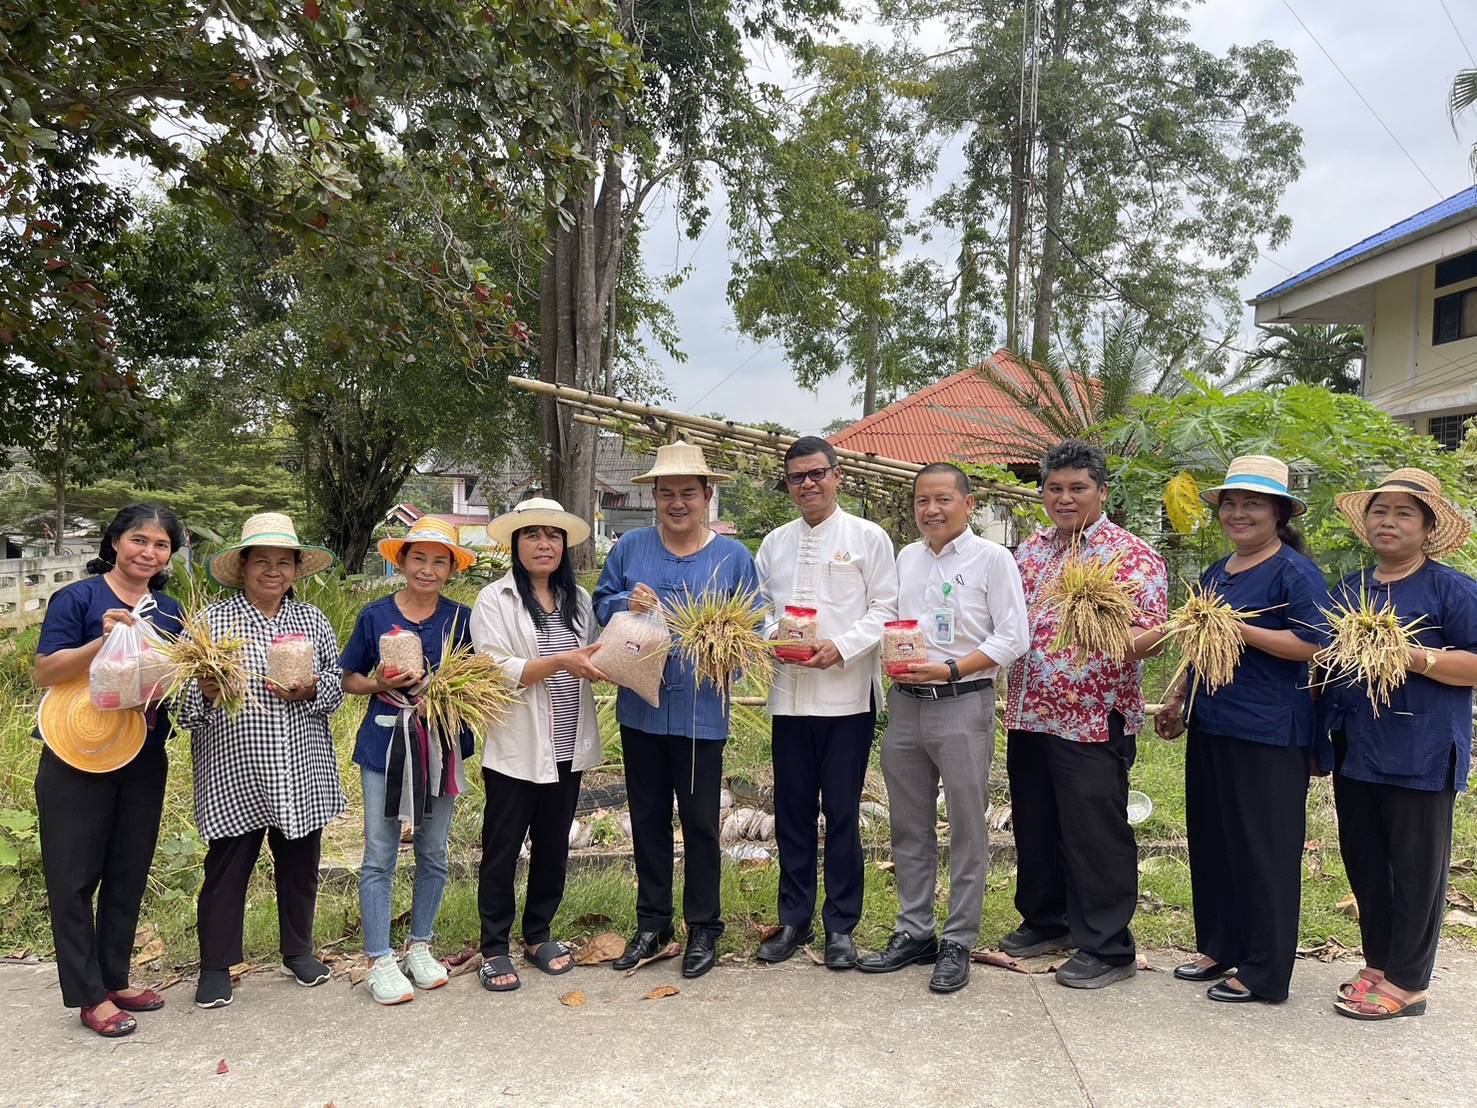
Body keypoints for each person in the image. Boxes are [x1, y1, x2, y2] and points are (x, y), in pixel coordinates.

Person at [1152, 456, 1329, 1004]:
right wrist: (1180, 696)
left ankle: (1265, 971)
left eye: (1252, 503)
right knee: (1215, 840)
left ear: (1278, 512)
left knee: (1264, 849)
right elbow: (1202, 643)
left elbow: (1315, 644)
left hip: (1271, 733)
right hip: (1215, 725)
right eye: (1230, 503)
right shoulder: (1218, 572)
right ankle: (1220, 944)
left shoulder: (1294, 573)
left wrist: (1243, 630)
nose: (1238, 513)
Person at [855, 463, 1029, 993]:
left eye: (943, 500)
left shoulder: (993, 559)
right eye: (922, 502)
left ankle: (958, 939)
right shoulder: (905, 559)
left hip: (962, 702)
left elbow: (1014, 636)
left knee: (967, 827)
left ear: (968, 504)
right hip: (906, 706)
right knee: (909, 824)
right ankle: (915, 931)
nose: (932, 510)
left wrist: (953, 667)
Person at [1002, 439, 1167, 989]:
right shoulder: (1027, 553)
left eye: (1078, 488)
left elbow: (1154, 637)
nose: (1064, 498)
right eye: (1054, 488)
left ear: (1101, 491)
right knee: (1037, 822)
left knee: (1094, 830)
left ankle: (1108, 946)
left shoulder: (1133, 556)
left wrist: (1108, 634)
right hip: (1029, 713)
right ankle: (1048, 920)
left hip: (1094, 717)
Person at [592, 441, 761, 979]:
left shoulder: (732, 557)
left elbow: (753, 626)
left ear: (708, 496)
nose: (677, 502)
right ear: (653, 497)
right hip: (640, 711)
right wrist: (626, 604)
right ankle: (653, 922)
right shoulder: (630, 548)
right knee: (646, 820)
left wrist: (723, 652)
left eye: (689, 492)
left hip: (700, 715)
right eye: (667, 493)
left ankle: (704, 927)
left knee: (701, 823)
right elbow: (601, 602)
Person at [1323, 469, 1477, 1021]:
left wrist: (1408, 654)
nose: (1388, 522)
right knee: (1365, 860)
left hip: (1422, 750)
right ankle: (1381, 961)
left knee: (1416, 868)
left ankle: (1408, 982)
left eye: (1404, 513)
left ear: (1427, 527)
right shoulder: (1352, 589)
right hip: (1358, 746)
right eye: (1380, 511)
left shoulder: (1451, 589)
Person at [176, 512, 344, 1010]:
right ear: (243, 566)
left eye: (284, 563)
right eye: (262, 562)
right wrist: (206, 693)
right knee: (228, 870)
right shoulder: (213, 624)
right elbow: (181, 705)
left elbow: (335, 686)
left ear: (296, 570)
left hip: (301, 764)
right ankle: (215, 966)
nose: (274, 571)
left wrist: (313, 690)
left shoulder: (311, 620)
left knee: (300, 865)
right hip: (236, 766)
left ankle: (299, 951)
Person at [32, 504, 185, 1037]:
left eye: (161, 545)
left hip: (142, 753)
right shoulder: (78, 598)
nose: (149, 552)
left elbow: (173, 679)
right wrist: (105, 640)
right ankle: (88, 994)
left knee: (128, 866)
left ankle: (115, 977)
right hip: (77, 752)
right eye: (139, 540)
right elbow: (45, 670)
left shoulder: (170, 610)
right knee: (73, 876)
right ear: (115, 542)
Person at [754, 437, 897, 970]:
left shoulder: (867, 537)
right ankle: (793, 918)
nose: (808, 484)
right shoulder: (774, 543)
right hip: (789, 698)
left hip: (846, 699)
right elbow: (758, 609)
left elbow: (887, 605)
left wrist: (842, 646)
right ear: (787, 484)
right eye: (797, 477)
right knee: (790, 812)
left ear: (837, 476)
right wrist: (779, 636)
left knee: (841, 813)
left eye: (817, 474)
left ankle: (841, 924)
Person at [471, 498, 608, 993]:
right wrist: (561, 662)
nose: (543, 544)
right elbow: (494, 668)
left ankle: (539, 933)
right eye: (531, 535)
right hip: (517, 746)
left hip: (569, 742)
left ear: (565, 545)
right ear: (516, 544)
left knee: (553, 844)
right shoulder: (495, 599)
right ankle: (493, 946)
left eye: (552, 536)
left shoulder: (580, 600)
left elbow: (594, 657)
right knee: (503, 847)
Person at [340, 516, 477, 1005]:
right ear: (401, 561)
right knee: (380, 852)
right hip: (385, 744)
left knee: (434, 850)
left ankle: (420, 945)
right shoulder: (375, 616)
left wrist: (452, 695)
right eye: (418, 558)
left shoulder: (461, 619)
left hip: (440, 743)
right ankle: (378, 957)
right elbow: (349, 677)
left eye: (440, 561)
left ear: (451, 569)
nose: (428, 568)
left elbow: (476, 679)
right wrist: (383, 683)